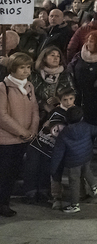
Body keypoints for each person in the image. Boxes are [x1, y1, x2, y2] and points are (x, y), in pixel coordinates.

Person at [50, 106, 97, 213]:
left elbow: (58, 153)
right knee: (87, 171)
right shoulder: (86, 127)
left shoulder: (64, 134)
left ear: (66, 119)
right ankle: (95, 187)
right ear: (82, 118)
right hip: (86, 156)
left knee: (74, 182)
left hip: (73, 162)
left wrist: (53, 169)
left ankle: (75, 205)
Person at [0, 53, 39, 217]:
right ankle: (2, 204)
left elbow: (34, 109)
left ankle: (5, 201)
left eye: (28, 67)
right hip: (7, 139)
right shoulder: (4, 87)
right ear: (13, 68)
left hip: (23, 138)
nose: (26, 71)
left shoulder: (29, 86)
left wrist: (33, 129)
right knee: (4, 173)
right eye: (22, 67)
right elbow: (2, 115)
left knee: (13, 172)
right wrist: (22, 132)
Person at [23, 87, 74, 209]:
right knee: (32, 166)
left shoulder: (74, 113)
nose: (68, 102)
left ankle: (44, 192)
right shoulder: (55, 110)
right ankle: (31, 192)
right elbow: (47, 120)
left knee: (46, 168)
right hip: (40, 142)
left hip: (53, 147)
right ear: (60, 100)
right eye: (65, 99)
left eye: (71, 99)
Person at [67, 31, 97, 125]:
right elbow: (69, 72)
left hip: (95, 103)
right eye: (87, 40)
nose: (88, 43)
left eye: (91, 41)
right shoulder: (78, 56)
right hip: (77, 98)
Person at [30, 47, 73, 123]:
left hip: (58, 113)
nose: (56, 58)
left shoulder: (65, 75)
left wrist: (60, 100)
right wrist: (43, 104)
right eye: (52, 55)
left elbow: (72, 92)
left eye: (58, 56)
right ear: (44, 58)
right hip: (35, 111)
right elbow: (29, 93)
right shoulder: (35, 74)